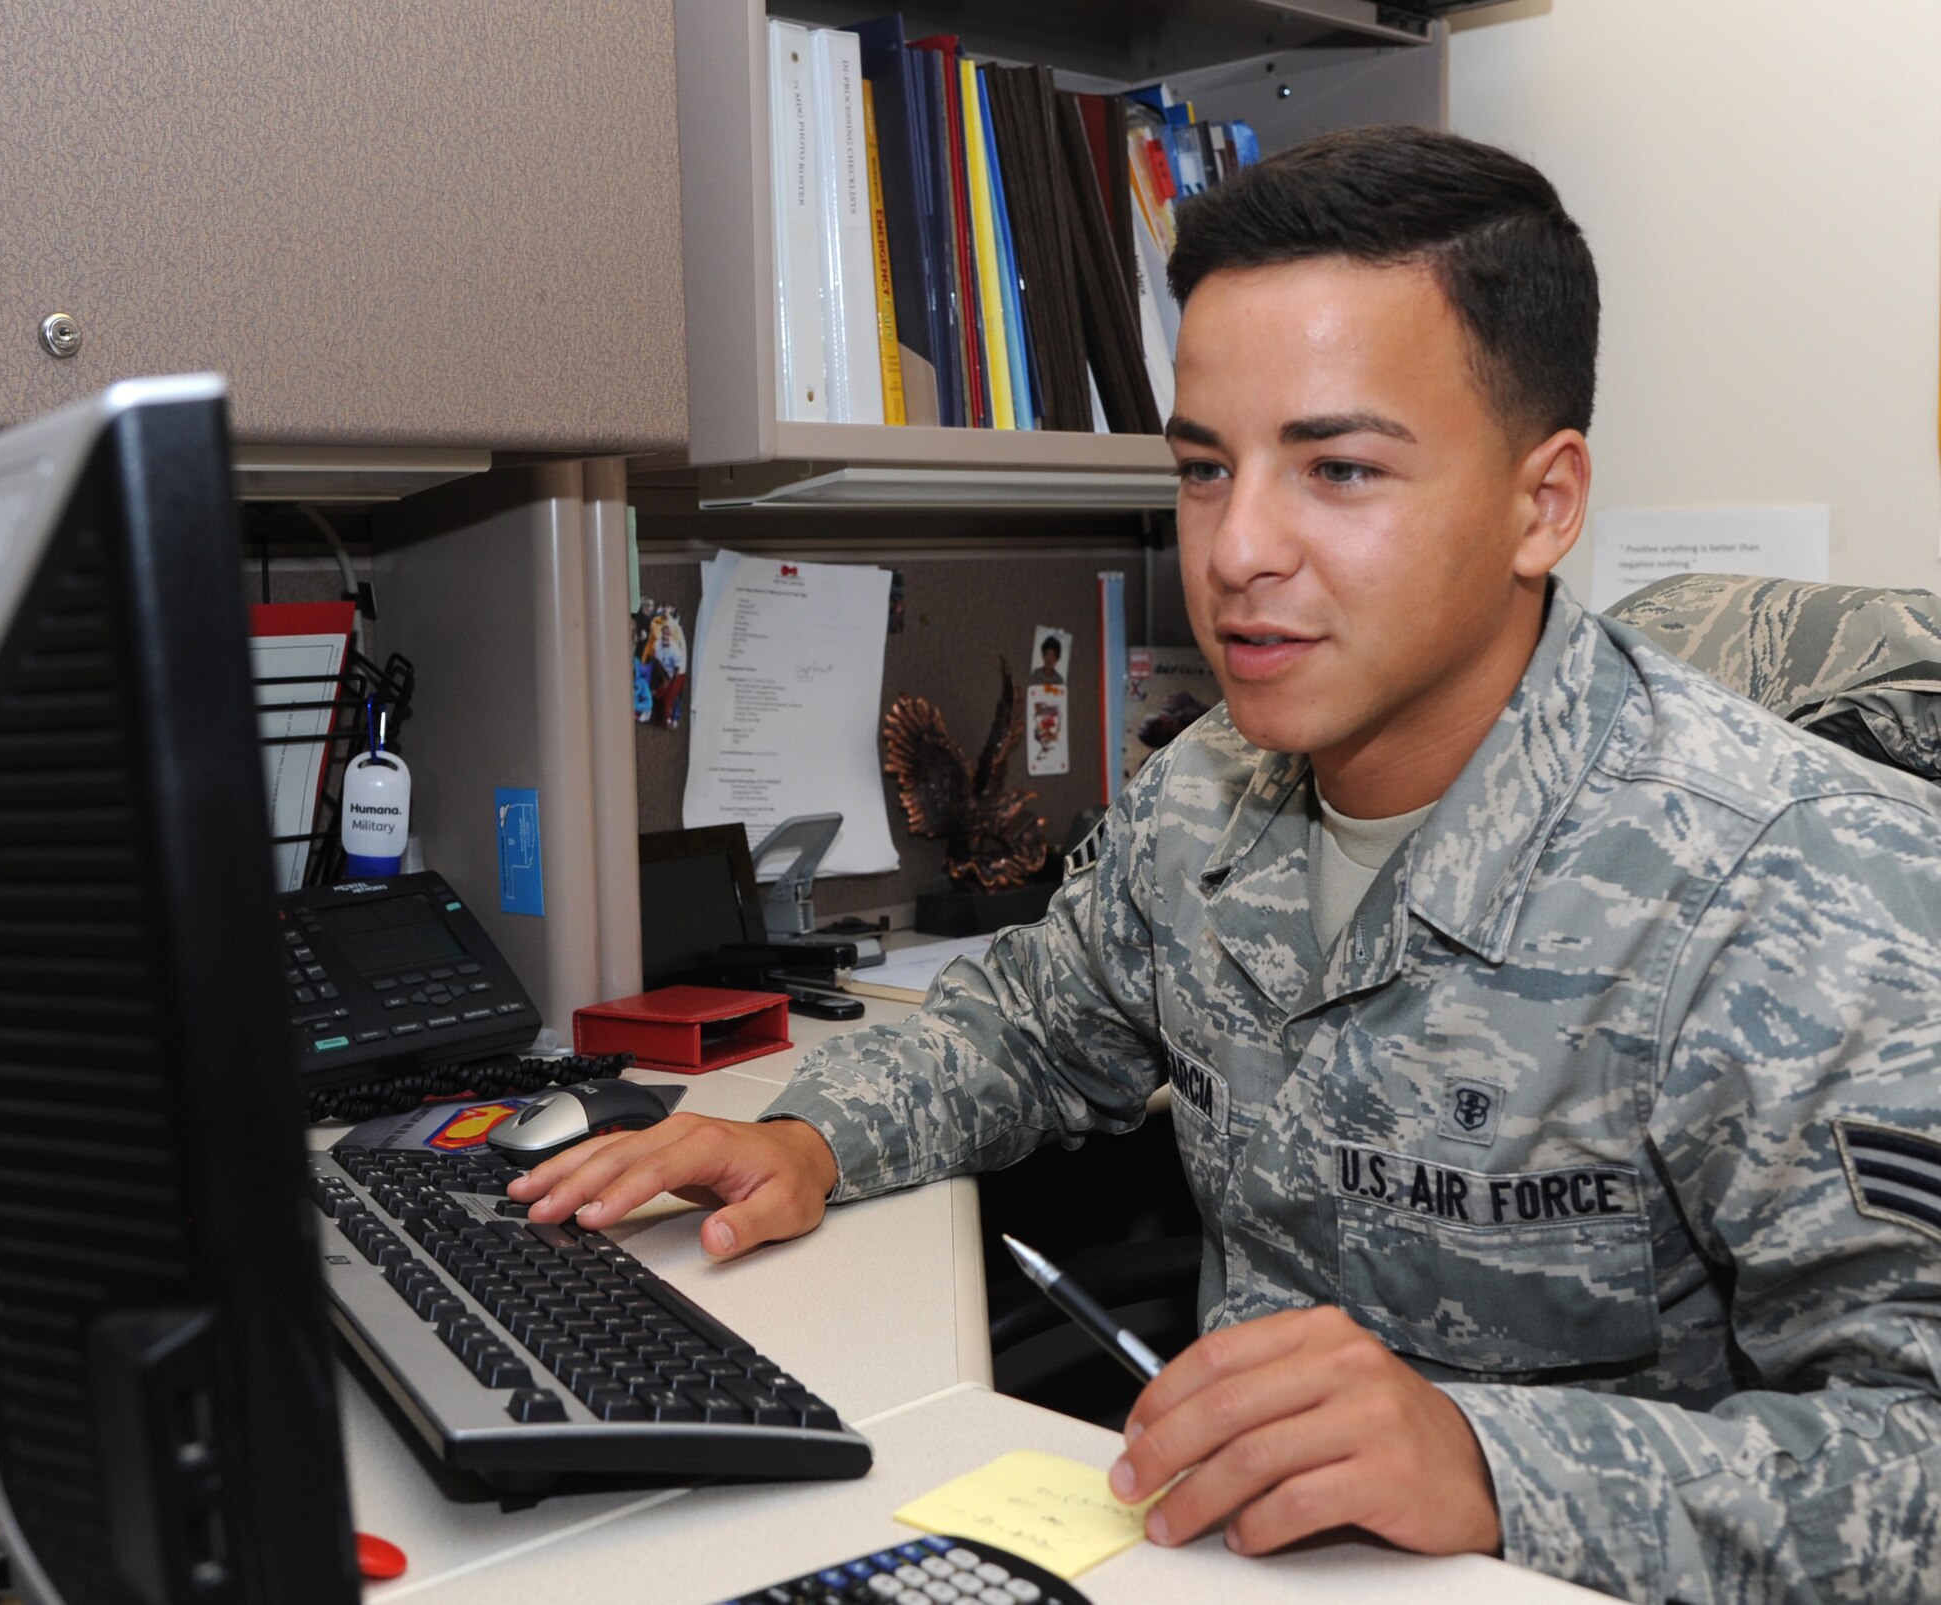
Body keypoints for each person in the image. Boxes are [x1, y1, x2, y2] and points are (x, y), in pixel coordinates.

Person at [511, 127, 1941, 1602]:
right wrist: (811, 1138)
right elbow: (1025, 1026)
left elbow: (1921, 1462)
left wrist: (1493, 1463)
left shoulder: (1801, 891)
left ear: (1544, 504)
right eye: (1205, 469)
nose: (1238, 547)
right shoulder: (1209, 793)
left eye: (1336, 466)